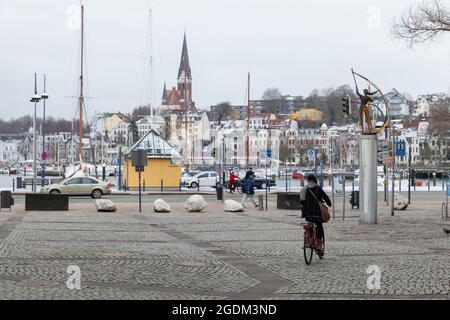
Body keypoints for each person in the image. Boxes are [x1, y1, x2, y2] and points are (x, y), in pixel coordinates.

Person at [299, 174, 331, 256]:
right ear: (315, 180)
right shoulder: (318, 188)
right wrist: (329, 203)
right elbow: (325, 197)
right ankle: (319, 244)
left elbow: (301, 201)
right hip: (317, 212)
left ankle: (309, 239)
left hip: (307, 213)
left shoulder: (304, 189)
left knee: (310, 223)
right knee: (319, 226)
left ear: (307, 181)